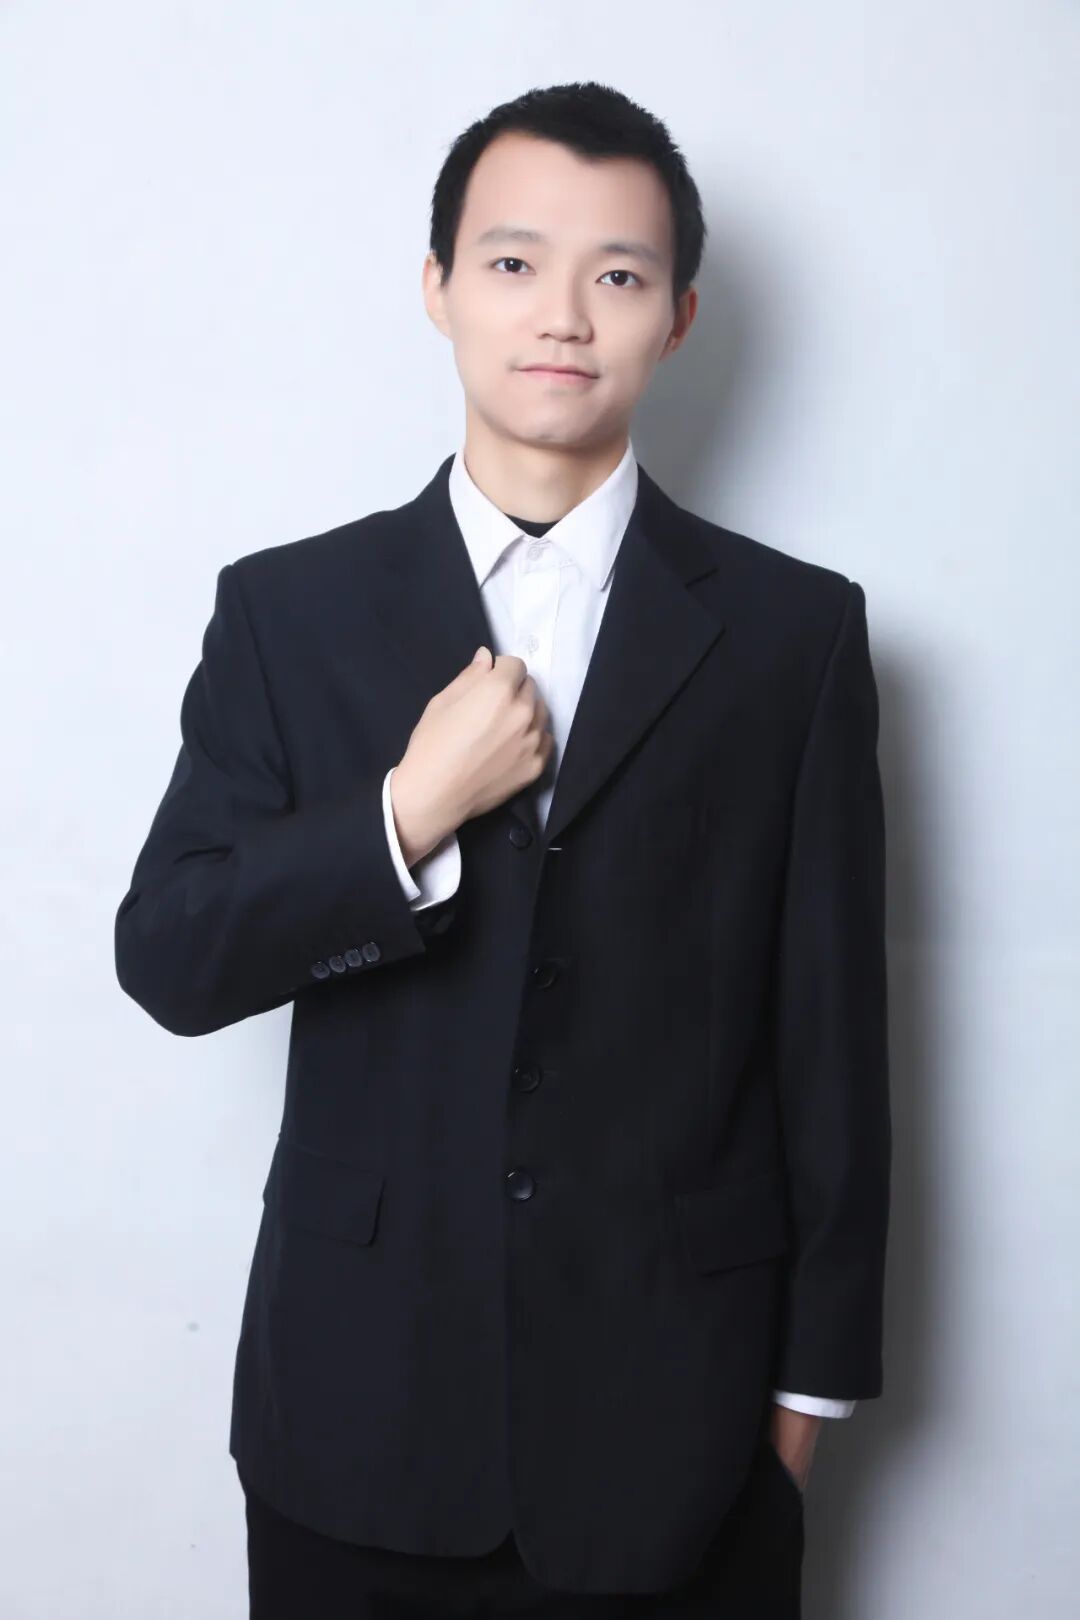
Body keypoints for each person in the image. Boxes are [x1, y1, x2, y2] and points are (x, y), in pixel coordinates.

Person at [115, 80, 891, 1619]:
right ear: (439, 287)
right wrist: (402, 816)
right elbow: (173, 954)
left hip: (683, 1432)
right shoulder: (288, 614)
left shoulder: (793, 636)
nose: (564, 316)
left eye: (620, 274)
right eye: (516, 262)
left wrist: (809, 1400)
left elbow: (832, 1032)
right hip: (357, 1418)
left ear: (678, 317)